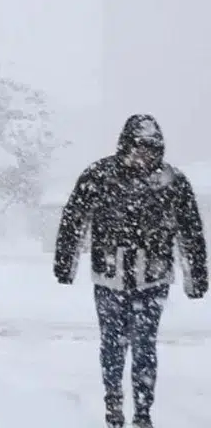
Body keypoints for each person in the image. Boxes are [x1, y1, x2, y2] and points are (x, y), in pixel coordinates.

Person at [54, 114, 208, 428]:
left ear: (159, 149)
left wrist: (197, 275)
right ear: (125, 145)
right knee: (112, 342)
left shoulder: (172, 182)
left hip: (153, 277)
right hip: (109, 275)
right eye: (138, 148)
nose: (143, 155)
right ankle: (113, 402)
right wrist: (65, 262)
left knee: (144, 344)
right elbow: (74, 219)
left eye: (151, 149)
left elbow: (190, 232)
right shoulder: (100, 176)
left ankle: (142, 410)